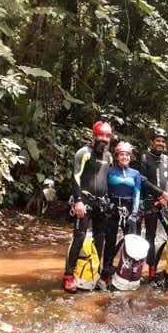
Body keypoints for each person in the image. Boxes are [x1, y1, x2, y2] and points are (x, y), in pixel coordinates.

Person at [63, 120, 114, 293]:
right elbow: (76, 177)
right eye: (101, 135)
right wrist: (77, 201)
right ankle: (69, 275)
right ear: (94, 135)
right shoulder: (83, 153)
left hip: (101, 202)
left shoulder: (109, 157)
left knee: (100, 238)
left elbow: (107, 179)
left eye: (107, 136)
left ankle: (95, 272)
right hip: (84, 200)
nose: (104, 139)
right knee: (79, 236)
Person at [138, 127, 168, 280]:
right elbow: (143, 180)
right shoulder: (144, 157)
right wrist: (161, 194)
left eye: (162, 141)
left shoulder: (167, 160)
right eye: (157, 141)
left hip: (165, 204)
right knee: (150, 236)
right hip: (151, 202)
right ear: (152, 142)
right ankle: (151, 268)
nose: (160, 143)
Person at [103, 141, 142, 276]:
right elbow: (105, 190)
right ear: (117, 156)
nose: (125, 157)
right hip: (113, 207)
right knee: (110, 239)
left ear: (130, 157)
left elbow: (137, 193)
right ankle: (106, 268)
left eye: (127, 155)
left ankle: (129, 270)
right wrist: (108, 205)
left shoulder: (135, 173)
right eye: (122, 155)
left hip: (129, 208)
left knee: (131, 240)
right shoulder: (110, 171)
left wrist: (135, 214)